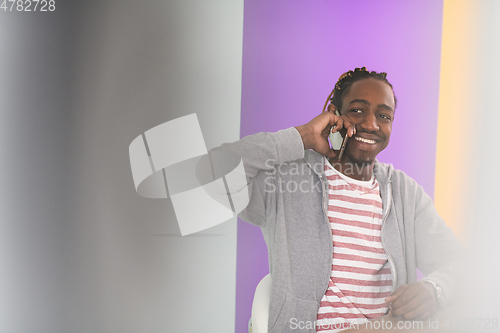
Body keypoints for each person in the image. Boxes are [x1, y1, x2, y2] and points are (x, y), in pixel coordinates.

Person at [210, 67, 464, 332]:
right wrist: (302, 137)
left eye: (384, 116)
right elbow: (210, 172)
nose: (371, 124)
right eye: (357, 110)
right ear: (334, 113)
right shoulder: (287, 180)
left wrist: (435, 289)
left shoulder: (404, 193)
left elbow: (462, 264)